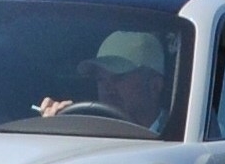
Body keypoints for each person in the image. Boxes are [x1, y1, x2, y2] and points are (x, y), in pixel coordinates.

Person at [40, 31, 170, 129]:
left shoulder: (182, 131)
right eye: (100, 79)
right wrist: (53, 127)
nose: (107, 88)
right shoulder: (88, 132)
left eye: (119, 77)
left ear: (155, 86)